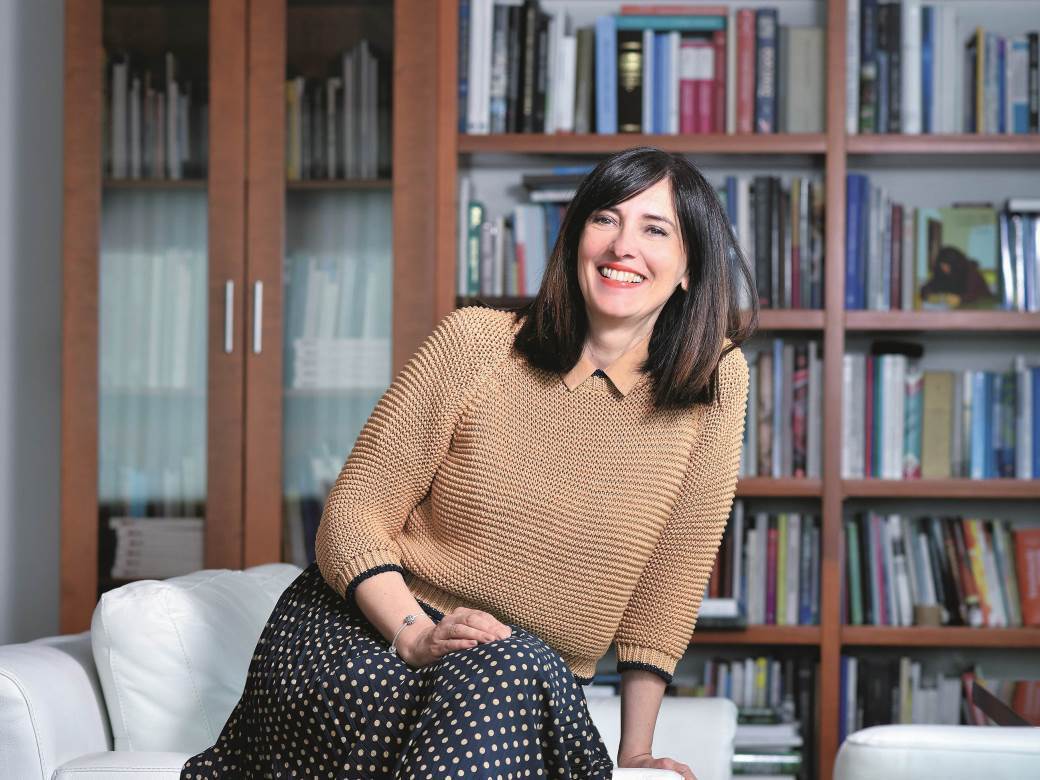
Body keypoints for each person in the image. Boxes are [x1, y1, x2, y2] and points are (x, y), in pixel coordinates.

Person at [181, 146, 755, 780]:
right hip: (370, 643)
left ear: (689, 267)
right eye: (605, 219)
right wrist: (413, 634)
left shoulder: (716, 381)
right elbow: (350, 517)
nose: (624, 246)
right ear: (575, 240)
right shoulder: (474, 342)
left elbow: (668, 587)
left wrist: (636, 754)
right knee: (511, 673)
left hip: (519, 683)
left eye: (655, 230)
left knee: (512, 672)